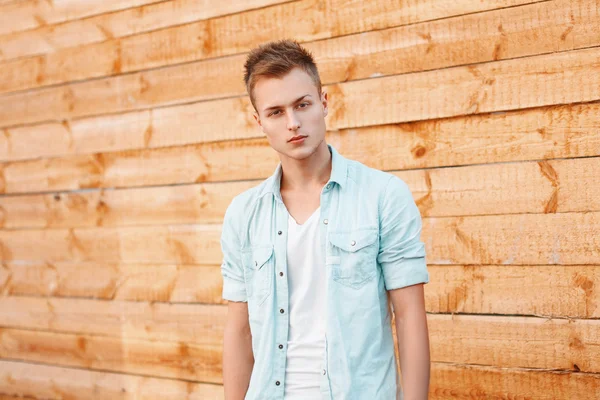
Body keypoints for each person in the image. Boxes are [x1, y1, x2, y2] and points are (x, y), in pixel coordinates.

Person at [221, 39, 430, 400]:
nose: (293, 123)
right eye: (276, 112)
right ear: (258, 121)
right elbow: (240, 333)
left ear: (323, 102)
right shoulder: (243, 214)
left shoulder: (383, 196)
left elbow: (410, 317)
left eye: (302, 104)